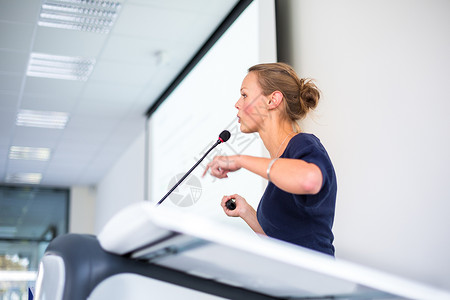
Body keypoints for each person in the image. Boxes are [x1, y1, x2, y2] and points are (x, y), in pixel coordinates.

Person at [203, 62, 337, 256]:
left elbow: (309, 180)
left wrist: (240, 160)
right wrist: (246, 212)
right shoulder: (281, 161)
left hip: (316, 282)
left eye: (244, 95)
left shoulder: (303, 144)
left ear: (272, 100)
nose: (237, 104)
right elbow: (283, 244)